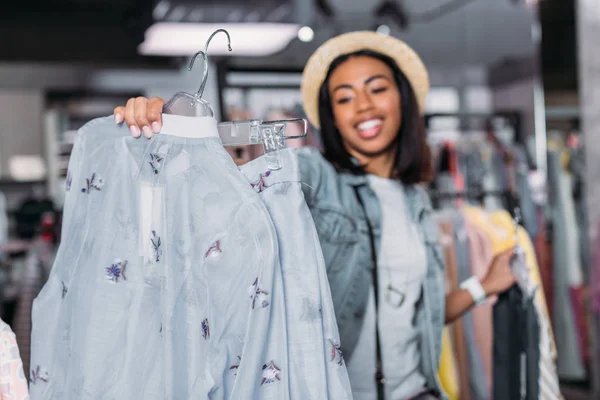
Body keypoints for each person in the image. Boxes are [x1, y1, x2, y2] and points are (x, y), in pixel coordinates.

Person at [113, 31, 516, 400]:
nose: (363, 106)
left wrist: (483, 286)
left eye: (377, 89)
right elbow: (233, 195)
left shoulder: (416, 201)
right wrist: (170, 134)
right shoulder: (315, 180)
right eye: (344, 97)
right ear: (331, 115)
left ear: (403, 99)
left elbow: (416, 314)